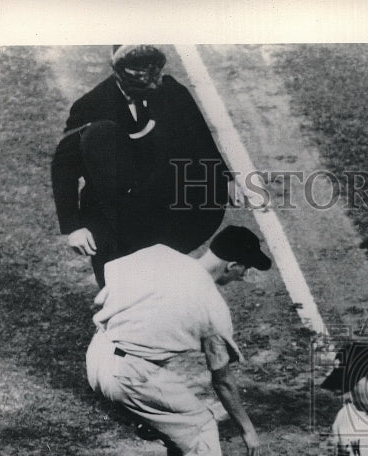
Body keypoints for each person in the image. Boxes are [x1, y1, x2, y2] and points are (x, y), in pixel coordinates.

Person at [85, 225, 271, 456]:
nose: (245, 277)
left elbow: (106, 288)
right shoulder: (213, 309)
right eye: (246, 269)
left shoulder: (159, 254)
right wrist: (248, 430)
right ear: (232, 266)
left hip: (97, 356)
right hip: (130, 376)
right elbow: (223, 382)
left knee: (175, 407)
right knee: (202, 426)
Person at [51, 44, 238, 287]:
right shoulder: (90, 106)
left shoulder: (173, 92)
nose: (152, 86)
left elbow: (199, 137)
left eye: (155, 75)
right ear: (120, 71)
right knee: (117, 290)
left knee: (159, 283)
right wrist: (73, 227)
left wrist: (225, 178)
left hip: (159, 213)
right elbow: (63, 166)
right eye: (141, 77)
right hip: (112, 220)